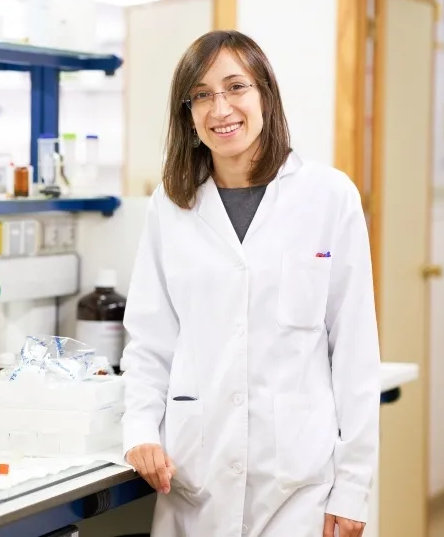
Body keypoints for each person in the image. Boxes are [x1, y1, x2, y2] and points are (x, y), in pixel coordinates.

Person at [121, 30, 381, 537]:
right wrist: (139, 432)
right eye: (201, 95)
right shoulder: (171, 206)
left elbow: (354, 355)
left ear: (265, 93)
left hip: (300, 487)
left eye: (235, 87)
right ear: (188, 115)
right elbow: (151, 342)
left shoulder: (328, 197)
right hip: (196, 479)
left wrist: (352, 489)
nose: (220, 108)